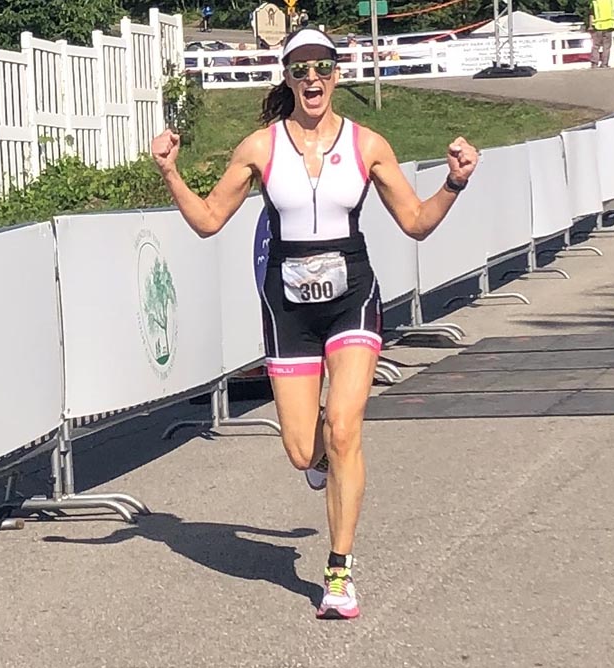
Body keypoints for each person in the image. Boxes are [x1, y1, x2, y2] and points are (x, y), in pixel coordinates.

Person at [150, 27, 478, 621]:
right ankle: (323, 463)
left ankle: (339, 572)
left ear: (336, 75)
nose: (312, 80)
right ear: (287, 78)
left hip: (352, 294)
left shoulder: (367, 144)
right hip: (288, 306)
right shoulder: (259, 148)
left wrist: (454, 182)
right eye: (300, 70)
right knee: (304, 450)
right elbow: (207, 220)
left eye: (322, 68)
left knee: (345, 424)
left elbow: (416, 222)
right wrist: (170, 173)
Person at [588, 0, 614, 68]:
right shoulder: (612, 2)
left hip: (598, 27)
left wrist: (590, 26)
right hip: (609, 26)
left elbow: (591, 15)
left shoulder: (596, 2)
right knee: (606, 47)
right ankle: (604, 64)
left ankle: (594, 63)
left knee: (596, 46)